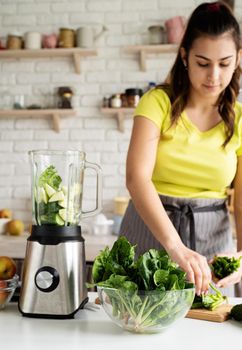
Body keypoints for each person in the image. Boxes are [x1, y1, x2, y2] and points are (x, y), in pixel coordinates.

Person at [119, 1, 242, 296]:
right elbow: (137, 178)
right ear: (185, 56)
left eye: (224, 63)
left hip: (213, 242)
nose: (214, 75)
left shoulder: (238, 118)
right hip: (151, 232)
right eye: (203, 63)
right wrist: (175, 247)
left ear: (239, 58)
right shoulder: (157, 102)